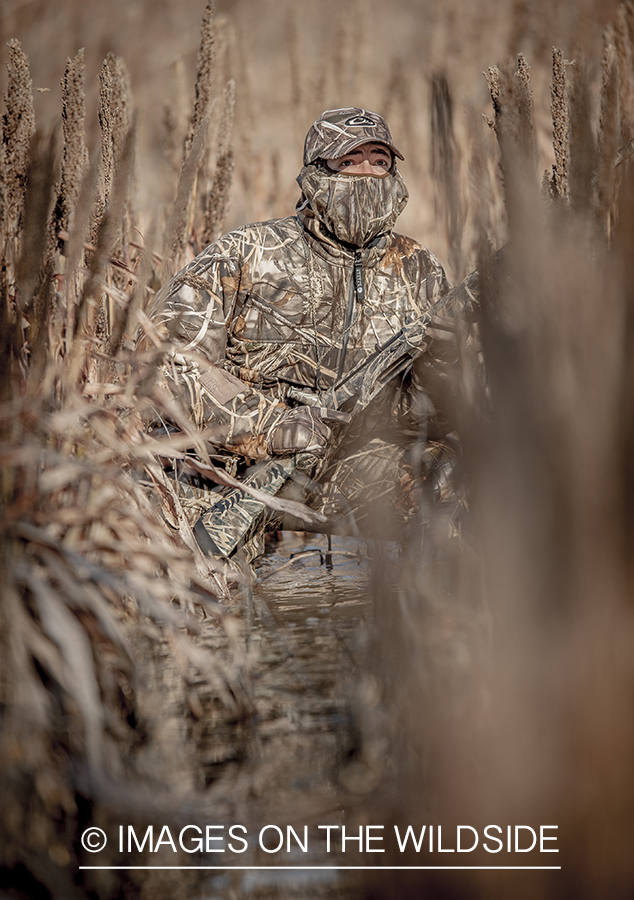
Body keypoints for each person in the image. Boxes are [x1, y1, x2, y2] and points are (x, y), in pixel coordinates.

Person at [150, 107, 462, 561]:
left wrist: (444, 364)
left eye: (380, 161)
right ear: (317, 172)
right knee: (194, 569)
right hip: (231, 468)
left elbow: (426, 420)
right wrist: (272, 426)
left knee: (460, 482)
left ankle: (436, 601)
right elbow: (165, 363)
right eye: (348, 161)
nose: (367, 173)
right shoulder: (248, 253)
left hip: (351, 469)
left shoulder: (418, 268)